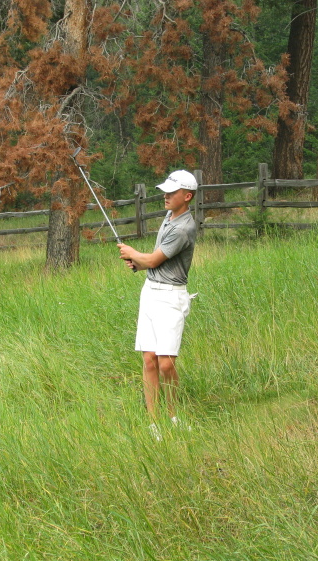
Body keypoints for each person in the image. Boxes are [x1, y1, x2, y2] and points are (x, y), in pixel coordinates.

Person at [117, 170, 198, 439]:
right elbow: (154, 263)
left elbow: (153, 260)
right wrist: (138, 264)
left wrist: (134, 254)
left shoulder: (184, 227)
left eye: (172, 193)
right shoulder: (168, 217)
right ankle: (154, 422)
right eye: (165, 191)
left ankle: (173, 417)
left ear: (187, 196)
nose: (166, 196)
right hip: (150, 292)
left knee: (166, 364)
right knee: (149, 360)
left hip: (171, 298)